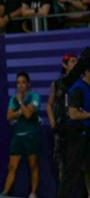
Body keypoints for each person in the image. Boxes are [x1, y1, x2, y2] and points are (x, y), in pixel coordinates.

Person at [1, 72, 41, 198]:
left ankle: (33, 193)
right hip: (17, 136)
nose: (20, 85)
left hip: (31, 135)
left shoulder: (35, 96)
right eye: (18, 82)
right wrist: (22, 111)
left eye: (23, 82)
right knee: (12, 166)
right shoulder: (12, 99)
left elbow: (29, 114)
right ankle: (5, 193)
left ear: (28, 84)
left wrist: (20, 103)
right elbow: (9, 116)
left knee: (33, 165)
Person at [58, 58, 90, 198]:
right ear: (87, 72)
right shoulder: (77, 88)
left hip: (86, 136)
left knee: (87, 170)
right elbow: (73, 113)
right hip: (77, 137)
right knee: (72, 172)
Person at [47, 54, 78, 185]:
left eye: (76, 61)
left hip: (77, 128)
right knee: (62, 165)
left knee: (80, 165)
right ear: (65, 65)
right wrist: (53, 123)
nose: (76, 64)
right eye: (72, 61)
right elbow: (49, 104)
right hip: (61, 129)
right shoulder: (57, 84)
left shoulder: (81, 83)